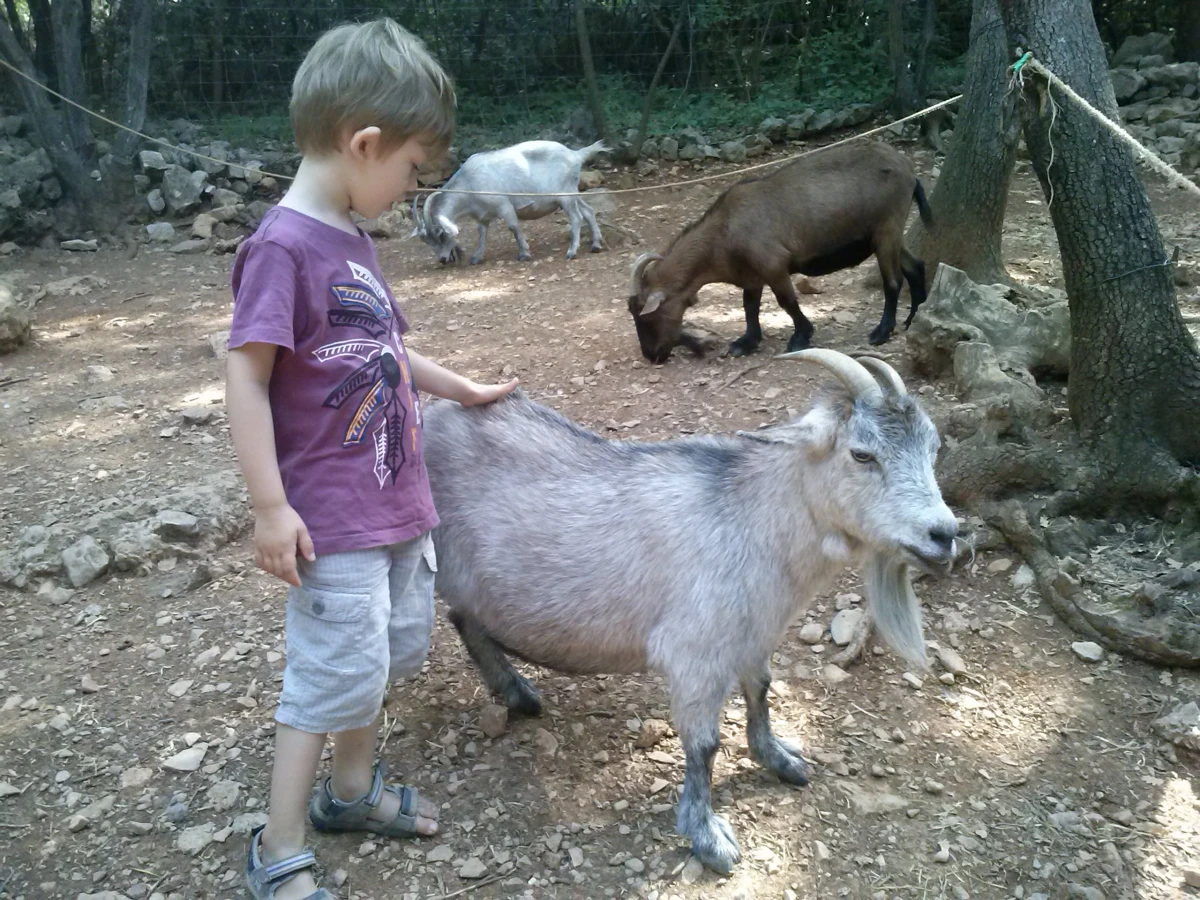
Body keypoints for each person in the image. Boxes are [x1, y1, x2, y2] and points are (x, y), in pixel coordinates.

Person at [224, 19, 517, 899]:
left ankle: (349, 792)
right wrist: (270, 508)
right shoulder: (282, 246)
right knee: (329, 675)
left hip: (395, 504)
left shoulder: (350, 240)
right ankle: (277, 846)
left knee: (380, 658)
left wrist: (460, 388)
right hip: (332, 521)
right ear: (364, 143)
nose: (413, 185)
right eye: (414, 169)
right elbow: (244, 378)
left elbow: (384, 351)